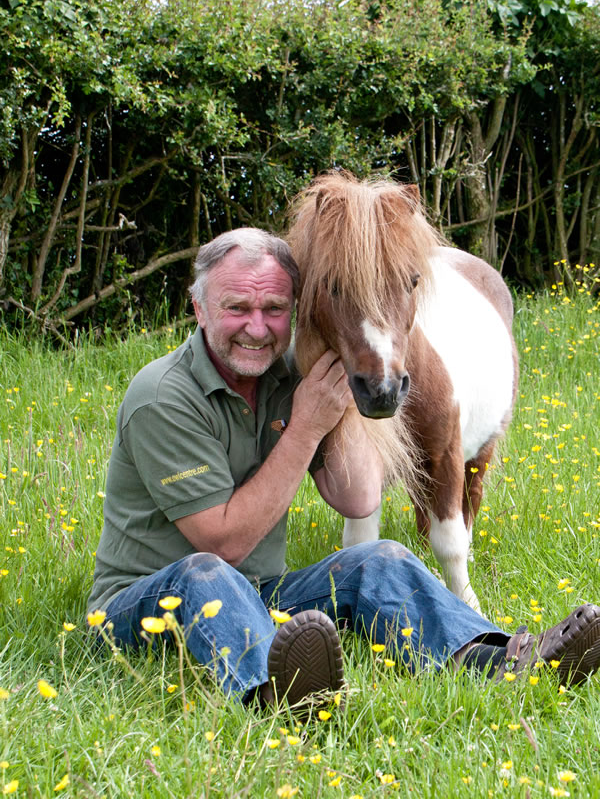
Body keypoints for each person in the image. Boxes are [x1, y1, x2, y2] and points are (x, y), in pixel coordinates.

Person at [88, 228, 600, 707]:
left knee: (379, 558)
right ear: (199, 309)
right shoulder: (162, 397)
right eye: (237, 308)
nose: (257, 328)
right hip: (150, 603)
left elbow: (358, 499)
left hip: (259, 594)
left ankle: (504, 660)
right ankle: (278, 688)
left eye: (274, 309)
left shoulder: (285, 379)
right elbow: (224, 544)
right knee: (205, 572)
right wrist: (307, 427)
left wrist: (341, 375)